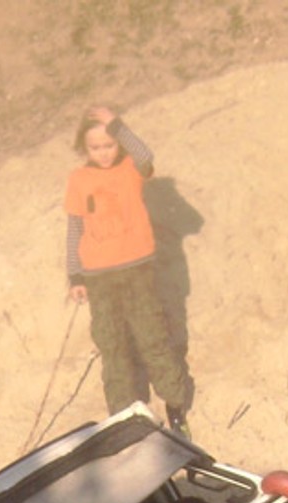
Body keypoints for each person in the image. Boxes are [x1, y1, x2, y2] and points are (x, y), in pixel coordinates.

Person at [64, 105, 194, 436]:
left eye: (109, 145)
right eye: (96, 147)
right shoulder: (79, 180)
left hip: (137, 271)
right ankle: (125, 419)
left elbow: (145, 154)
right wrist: (75, 275)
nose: (104, 153)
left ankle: (176, 408)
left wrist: (116, 126)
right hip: (99, 278)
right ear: (84, 148)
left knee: (153, 339)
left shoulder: (131, 169)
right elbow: (75, 229)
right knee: (113, 346)